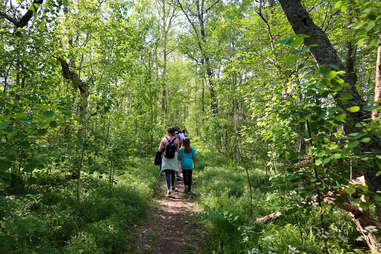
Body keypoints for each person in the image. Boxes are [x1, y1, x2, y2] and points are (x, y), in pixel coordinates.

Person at [158, 127, 179, 197]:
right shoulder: (176, 140)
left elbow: (160, 150)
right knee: (173, 172)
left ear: (168, 132)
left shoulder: (164, 139)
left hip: (166, 157)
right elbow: (178, 150)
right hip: (174, 157)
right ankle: (173, 186)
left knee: (167, 173)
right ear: (174, 132)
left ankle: (168, 190)